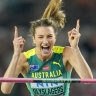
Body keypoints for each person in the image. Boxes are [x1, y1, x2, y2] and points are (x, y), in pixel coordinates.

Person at [1, 0, 93, 96]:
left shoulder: (67, 53)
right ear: (34, 40)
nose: (45, 41)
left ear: (55, 38)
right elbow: (5, 90)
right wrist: (16, 55)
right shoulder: (24, 58)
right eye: (40, 37)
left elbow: (88, 81)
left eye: (49, 36)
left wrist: (75, 48)